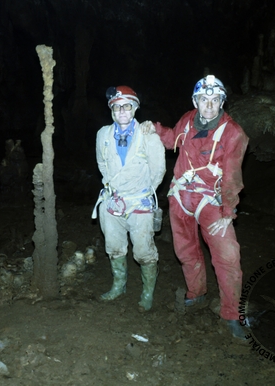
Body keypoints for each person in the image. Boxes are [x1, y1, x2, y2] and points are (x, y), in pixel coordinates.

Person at [146, 75, 249, 338]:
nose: (209, 105)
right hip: (181, 197)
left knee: (227, 256)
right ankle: (196, 292)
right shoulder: (188, 119)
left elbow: (232, 176)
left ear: (222, 102)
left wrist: (228, 212)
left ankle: (231, 314)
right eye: (204, 99)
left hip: (211, 201)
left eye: (215, 100)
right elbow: (173, 139)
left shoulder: (233, 133)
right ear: (196, 101)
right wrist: (155, 129)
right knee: (186, 251)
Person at [93, 86, 166, 312]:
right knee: (114, 247)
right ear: (111, 110)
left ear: (135, 108)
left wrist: (142, 192)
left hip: (139, 202)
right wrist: (113, 187)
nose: (122, 111)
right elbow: (102, 163)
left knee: (144, 252)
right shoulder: (103, 135)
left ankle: (147, 292)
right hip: (113, 201)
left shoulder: (148, 136)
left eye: (127, 106)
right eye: (117, 107)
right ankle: (118, 286)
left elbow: (158, 170)